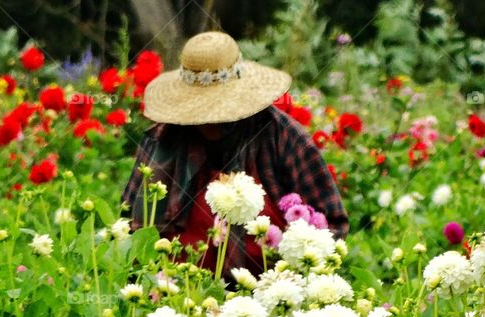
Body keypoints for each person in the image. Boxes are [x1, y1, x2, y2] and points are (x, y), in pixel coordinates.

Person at [121, 31, 348, 276]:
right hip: (176, 292)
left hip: (268, 294)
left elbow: (331, 226)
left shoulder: (282, 137)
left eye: (218, 107)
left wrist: (293, 275)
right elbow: (128, 229)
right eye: (200, 108)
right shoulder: (163, 140)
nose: (210, 118)